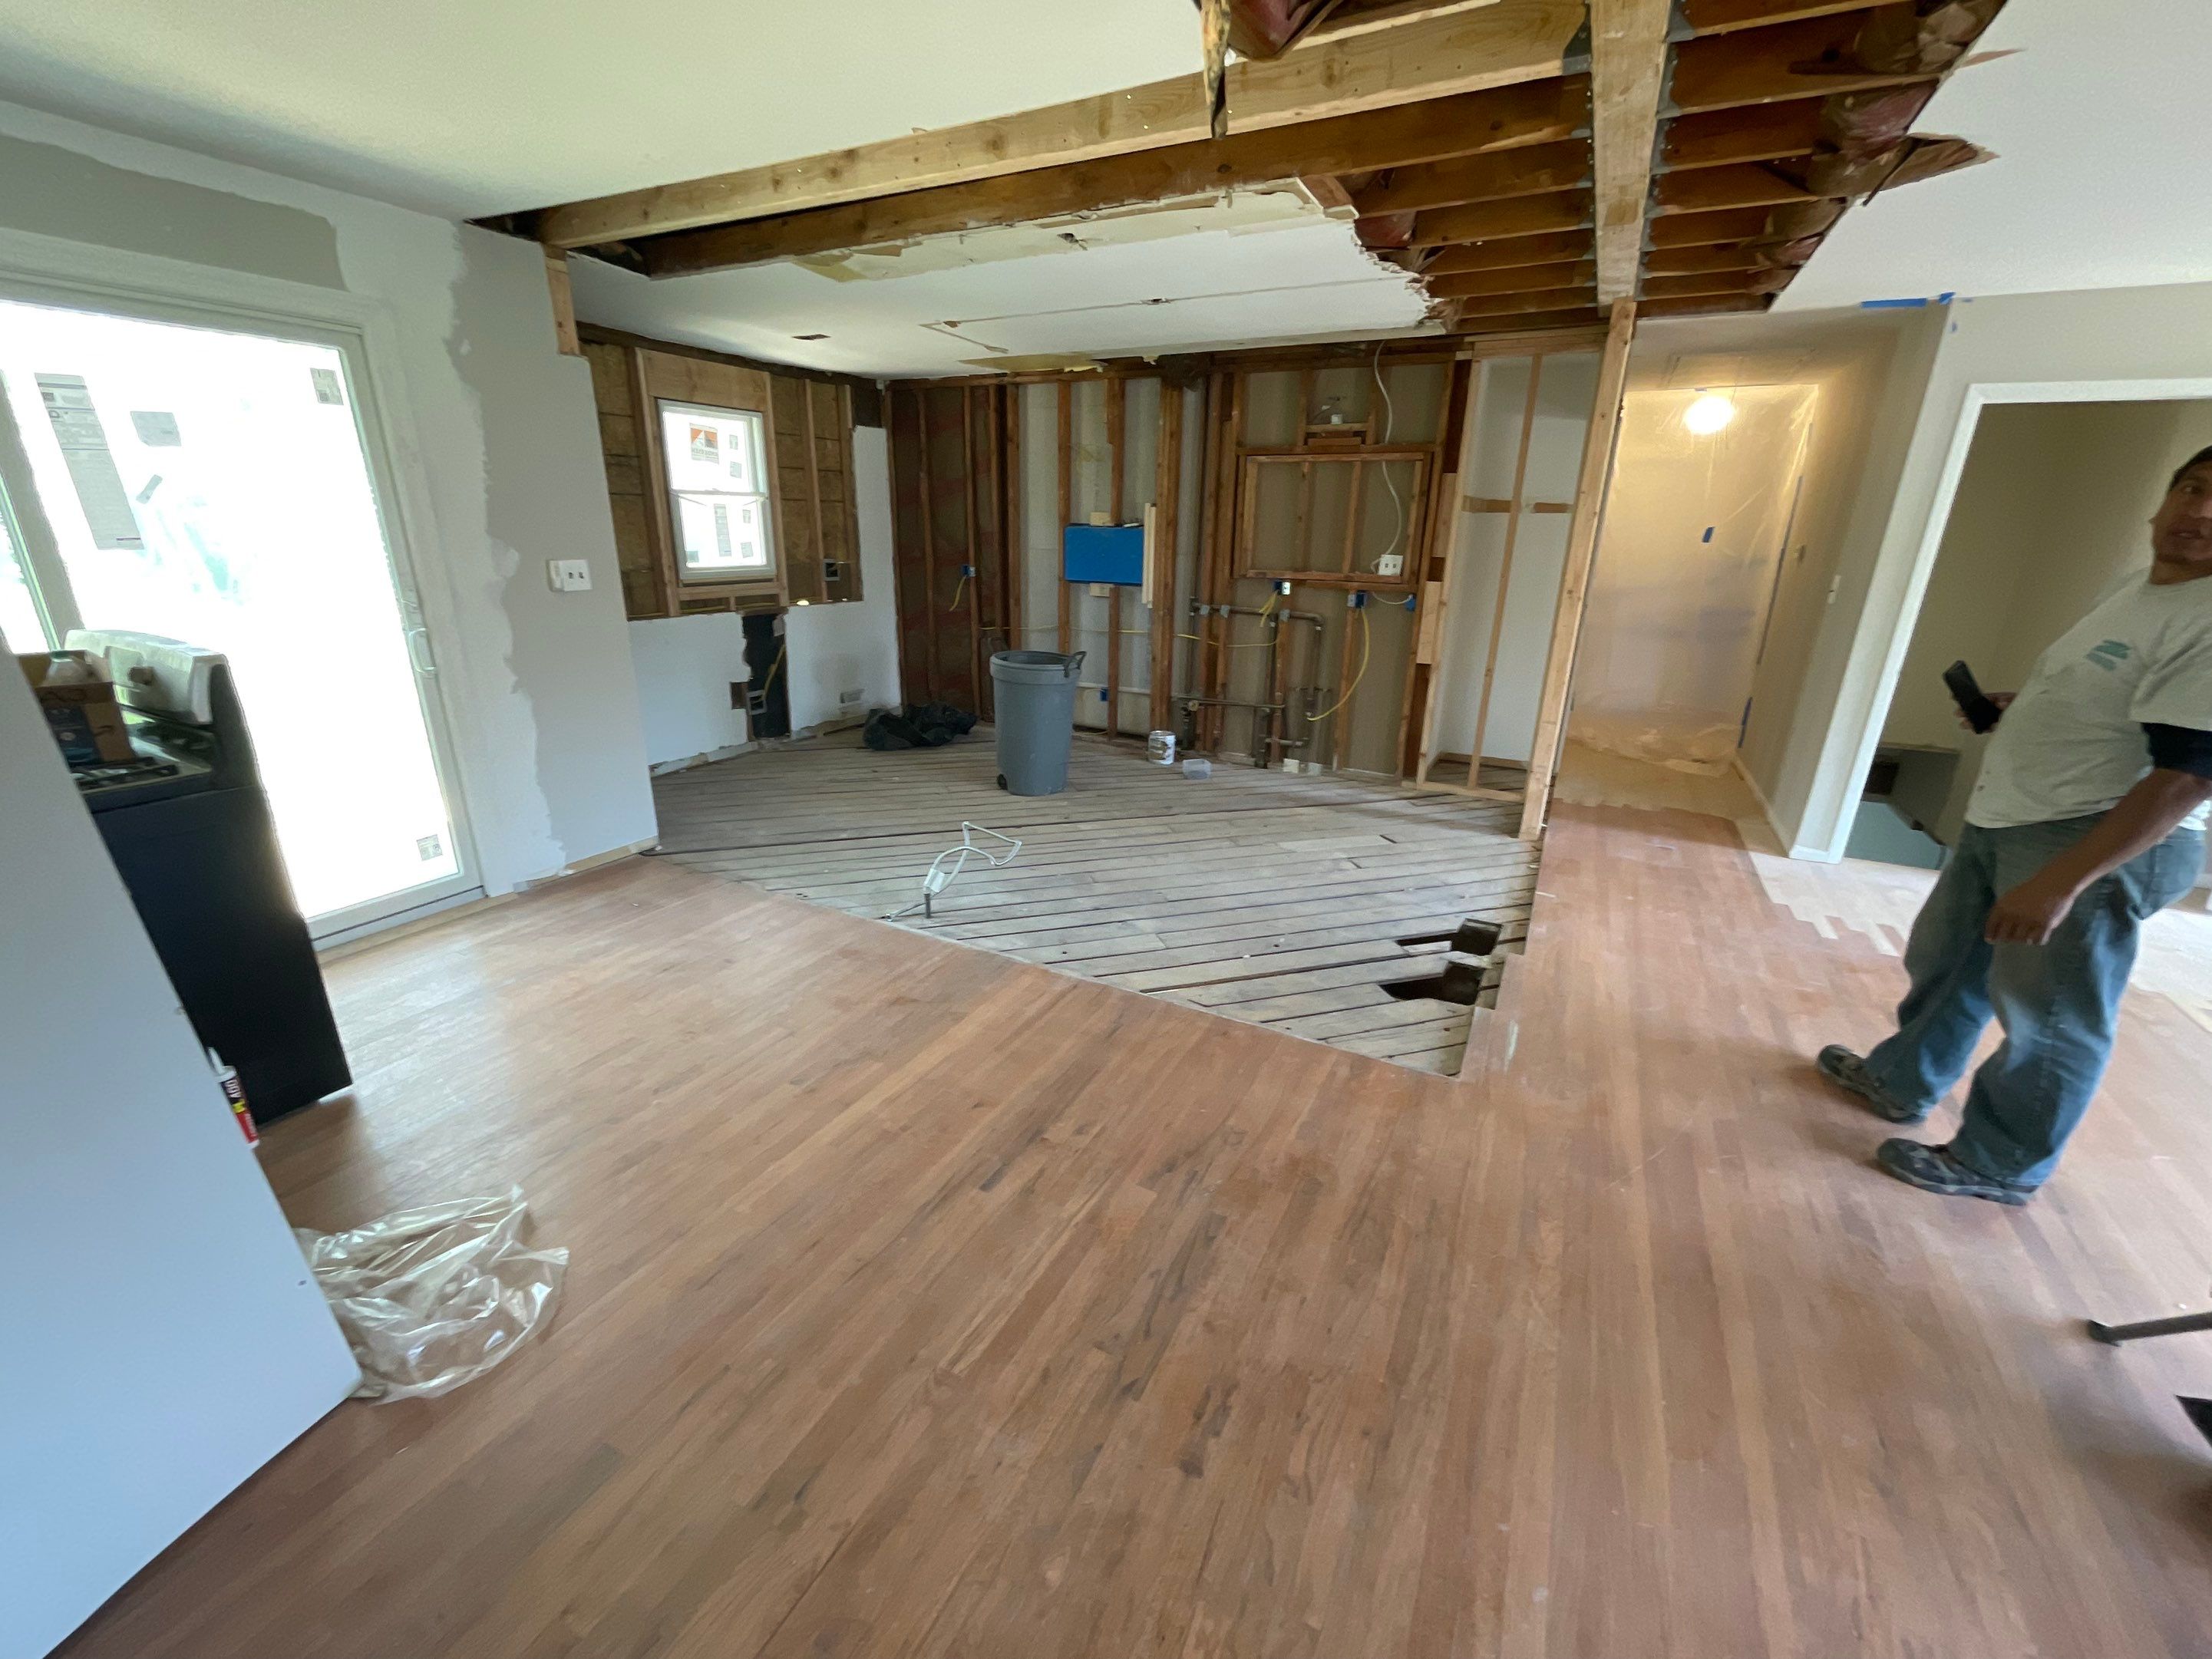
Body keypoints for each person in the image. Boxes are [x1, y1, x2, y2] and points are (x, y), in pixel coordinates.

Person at [1817, 445, 2212, 1203]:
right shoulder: (2135, 587)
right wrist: (2018, 706)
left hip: (2089, 836)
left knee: (2050, 1015)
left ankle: (1997, 1160)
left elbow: (2186, 775)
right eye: (2190, 489)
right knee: (1949, 959)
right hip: (2016, 810)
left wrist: (2062, 883)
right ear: (2159, 501)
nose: (2198, 512)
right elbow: (2108, 698)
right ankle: (1900, 1079)